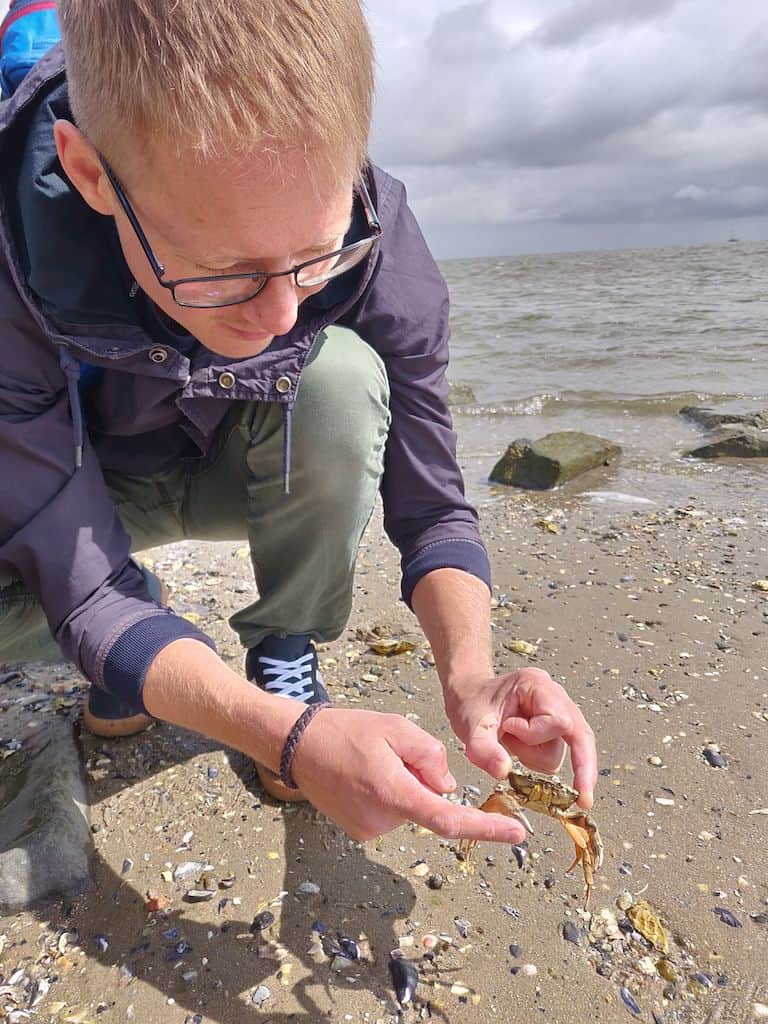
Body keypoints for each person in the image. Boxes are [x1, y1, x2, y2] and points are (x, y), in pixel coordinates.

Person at [0, 0, 596, 846]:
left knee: (340, 376)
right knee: (80, 609)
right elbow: (83, 584)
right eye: (225, 272)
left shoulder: (374, 225)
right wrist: (276, 738)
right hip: (77, 481)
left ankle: (281, 646)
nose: (281, 315)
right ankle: (146, 637)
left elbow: (430, 504)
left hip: (233, 460)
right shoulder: (11, 258)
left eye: (316, 256)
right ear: (90, 175)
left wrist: (471, 675)